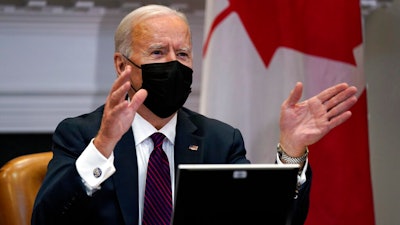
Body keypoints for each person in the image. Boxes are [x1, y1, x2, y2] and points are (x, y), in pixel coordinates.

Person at [32, 4, 358, 225]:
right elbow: (47, 218)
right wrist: (104, 144)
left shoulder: (220, 140)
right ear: (122, 65)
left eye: (183, 53)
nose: (174, 64)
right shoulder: (80, 134)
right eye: (158, 52)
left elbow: (273, 219)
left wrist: (291, 150)